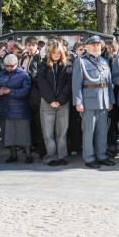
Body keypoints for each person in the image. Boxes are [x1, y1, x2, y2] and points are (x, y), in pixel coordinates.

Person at [72, 35, 115, 169]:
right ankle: (89, 158)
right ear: (86, 46)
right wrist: (78, 102)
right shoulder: (81, 62)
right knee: (89, 132)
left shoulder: (103, 61)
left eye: (98, 44)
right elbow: (76, 84)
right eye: (93, 44)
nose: (97, 46)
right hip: (88, 102)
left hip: (103, 100)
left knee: (102, 132)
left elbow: (109, 84)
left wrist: (110, 100)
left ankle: (101, 156)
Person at [36, 39, 73, 167]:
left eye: (58, 53)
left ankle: (62, 156)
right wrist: (51, 100)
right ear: (49, 53)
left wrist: (60, 100)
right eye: (53, 53)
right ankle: (50, 156)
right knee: (48, 132)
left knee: (62, 132)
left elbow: (68, 85)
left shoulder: (68, 65)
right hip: (47, 103)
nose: (56, 55)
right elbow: (42, 84)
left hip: (63, 104)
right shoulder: (42, 65)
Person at [0, 54, 33, 164]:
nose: (9, 68)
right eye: (7, 66)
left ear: (17, 64)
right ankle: (13, 155)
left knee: (24, 134)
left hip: (20, 109)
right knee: (9, 134)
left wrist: (10, 92)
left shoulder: (24, 75)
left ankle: (28, 155)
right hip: (5, 108)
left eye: (12, 66)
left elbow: (26, 92)